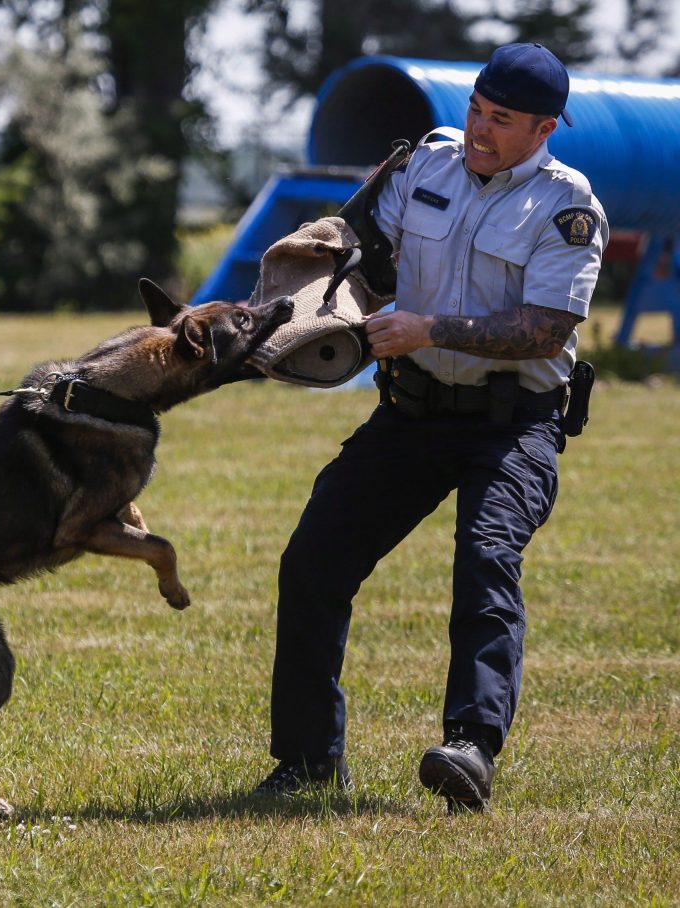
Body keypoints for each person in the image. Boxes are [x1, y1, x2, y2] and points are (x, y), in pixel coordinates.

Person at [257, 43, 607, 810]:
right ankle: (308, 762)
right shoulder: (426, 164)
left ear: (545, 128)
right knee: (314, 560)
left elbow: (545, 330)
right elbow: (371, 259)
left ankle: (470, 749)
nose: (480, 128)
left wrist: (429, 328)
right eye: (477, 109)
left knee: (485, 561)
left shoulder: (567, 206)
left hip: (512, 424)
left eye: (502, 120)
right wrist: (322, 278)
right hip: (411, 413)